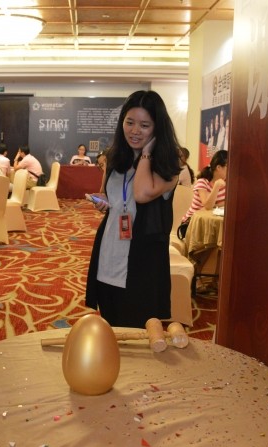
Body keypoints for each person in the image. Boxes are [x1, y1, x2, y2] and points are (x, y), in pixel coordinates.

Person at [85, 90, 181, 328]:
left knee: (137, 332)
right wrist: (104, 201)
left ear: (157, 128)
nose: (135, 130)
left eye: (144, 125)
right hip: (110, 252)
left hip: (142, 261)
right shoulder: (116, 158)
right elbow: (112, 196)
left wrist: (147, 153)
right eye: (129, 122)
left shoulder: (167, 166)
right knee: (110, 328)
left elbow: (141, 193)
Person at [179, 149, 228, 234]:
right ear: (219, 168)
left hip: (209, 224)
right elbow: (208, 206)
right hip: (191, 224)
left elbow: (228, 202)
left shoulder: (226, 183)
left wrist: (215, 205)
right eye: (228, 166)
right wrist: (216, 186)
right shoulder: (202, 182)